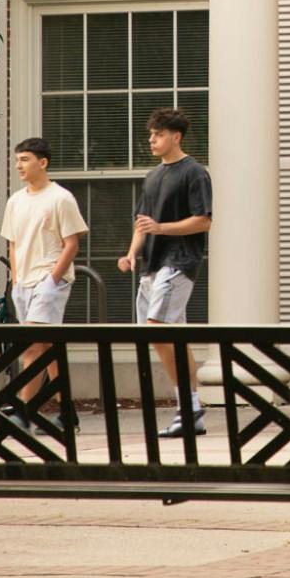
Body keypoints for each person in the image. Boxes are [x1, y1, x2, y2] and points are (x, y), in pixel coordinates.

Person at [116, 108, 212, 436]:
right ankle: (193, 409)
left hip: (180, 261)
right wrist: (131, 254)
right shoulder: (153, 176)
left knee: (156, 329)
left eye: (158, 134)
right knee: (170, 337)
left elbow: (203, 220)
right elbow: (142, 222)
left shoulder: (195, 172)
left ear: (176, 137)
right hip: (151, 266)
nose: (152, 140)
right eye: (151, 134)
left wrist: (162, 227)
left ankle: (187, 407)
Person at [2, 137, 86, 431]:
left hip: (50, 279)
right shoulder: (15, 201)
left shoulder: (60, 197)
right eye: (17, 160)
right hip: (23, 282)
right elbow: (12, 243)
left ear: (43, 162)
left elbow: (72, 243)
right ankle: (68, 413)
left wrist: (52, 279)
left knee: (31, 346)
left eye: (24, 159)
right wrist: (15, 278)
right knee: (47, 347)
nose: (19, 166)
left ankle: (24, 410)